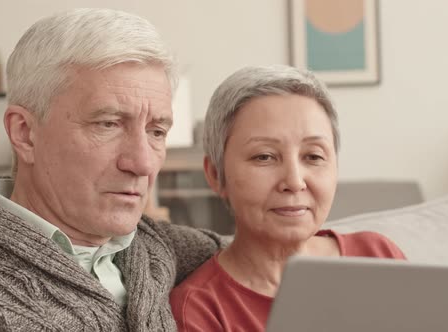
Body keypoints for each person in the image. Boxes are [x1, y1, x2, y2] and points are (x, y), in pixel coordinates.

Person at [0, 8, 226, 332]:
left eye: (157, 131)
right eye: (108, 124)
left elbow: (268, 256)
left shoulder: (158, 245)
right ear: (25, 133)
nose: (142, 164)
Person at [169, 65, 406, 332]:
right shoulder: (199, 311)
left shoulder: (378, 256)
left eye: (313, 156)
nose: (294, 181)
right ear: (215, 174)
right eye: (264, 157)